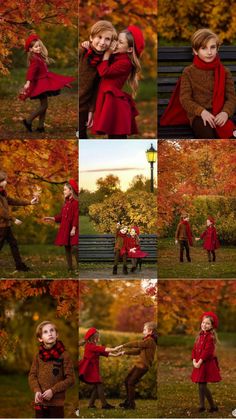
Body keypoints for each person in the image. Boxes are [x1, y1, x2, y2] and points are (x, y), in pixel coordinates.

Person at [160, 28, 236, 139]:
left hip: (220, 113)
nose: (209, 52)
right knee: (207, 136)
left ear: (217, 49)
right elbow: (185, 99)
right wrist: (201, 112)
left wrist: (225, 112)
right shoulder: (189, 72)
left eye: (212, 47)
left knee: (230, 136)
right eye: (203, 48)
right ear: (195, 51)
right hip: (199, 115)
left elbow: (231, 98)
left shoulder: (224, 72)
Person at [91, 25, 145, 138]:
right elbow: (97, 58)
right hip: (107, 98)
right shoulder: (116, 56)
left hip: (114, 103)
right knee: (112, 135)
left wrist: (107, 54)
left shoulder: (125, 63)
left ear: (129, 49)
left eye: (120, 42)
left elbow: (104, 72)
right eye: (116, 40)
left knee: (117, 135)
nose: (115, 44)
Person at [21, 34, 75, 133]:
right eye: (36, 47)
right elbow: (31, 72)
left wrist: (62, 83)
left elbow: (48, 74)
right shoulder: (35, 59)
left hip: (44, 83)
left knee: (44, 105)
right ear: (31, 49)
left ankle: (40, 127)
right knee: (44, 106)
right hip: (41, 85)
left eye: (39, 46)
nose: (38, 48)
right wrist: (28, 82)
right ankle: (28, 121)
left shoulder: (39, 57)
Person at [28, 321, 75, 418]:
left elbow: (70, 379)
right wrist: (37, 390)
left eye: (52, 330)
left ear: (57, 334)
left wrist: (53, 390)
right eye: (45, 332)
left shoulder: (64, 355)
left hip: (56, 404)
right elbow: (32, 375)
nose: (50, 333)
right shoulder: (38, 356)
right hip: (40, 403)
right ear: (40, 339)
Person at [79, 20, 117, 139]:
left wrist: (91, 110)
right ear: (91, 37)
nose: (102, 42)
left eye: (107, 39)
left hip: (84, 107)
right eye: (99, 37)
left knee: (81, 136)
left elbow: (97, 87)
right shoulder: (82, 51)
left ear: (111, 42)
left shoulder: (106, 61)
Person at [0, 170, 38, 271]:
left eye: (5, 180)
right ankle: (20, 265)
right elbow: (1, 212)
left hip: (6, 225)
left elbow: (14, 201)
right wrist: (13, 219)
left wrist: (29, 202)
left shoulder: (3, 193)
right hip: (1, 226)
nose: (6, 182)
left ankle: (19, 266)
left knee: (14, 244)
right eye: (3, 180)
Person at [114, 321, 157, 410]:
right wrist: (123, 352)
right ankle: (128, 402)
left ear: (150, 331)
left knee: (130, 383)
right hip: (139, 365)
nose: (143, 331)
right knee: (127, 381)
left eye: (144, 329)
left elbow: (136, 344)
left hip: (143, 366)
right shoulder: (146, 340)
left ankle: (131, 405)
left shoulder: (150, 341)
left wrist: (122, 345)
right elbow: (137, 351)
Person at [79, 327, 119, 409]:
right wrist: (114, 349)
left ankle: (91, 404)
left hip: (94, 369)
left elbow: (103, 353)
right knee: (99, 384)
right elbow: (103, 349)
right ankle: (104, 404)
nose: (98, 338)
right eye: (97, 337)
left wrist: (116, 355)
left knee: (96, 386)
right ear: (93, 338)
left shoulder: (93, 346)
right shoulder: (90, 346)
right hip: (89, 369)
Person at [43, 179, 78, 272]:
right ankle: (70, 268)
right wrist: (51, 218)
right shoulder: (66, 203)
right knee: (67, 247)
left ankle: (79, 267)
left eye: (65, 189)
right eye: (63, 189)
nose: (64, 191)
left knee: (75, 247)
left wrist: (74, 228)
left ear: (71, 190)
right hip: (66, 228)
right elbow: (61, 217)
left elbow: (76, 217)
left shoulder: (76, 203)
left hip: (73, 228)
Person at [191, 312, 221, 412]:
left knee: (202, 385)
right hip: (198, 363)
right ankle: (203, 406)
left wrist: (199, 362)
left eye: (208, 323)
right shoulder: (200, 335)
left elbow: (207, 352)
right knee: (200, 384)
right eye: (203, 322)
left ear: (212, 326)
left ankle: (212, 406)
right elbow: (195, 349)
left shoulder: (210, 337)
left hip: (205, 364)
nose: (204, 325)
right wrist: (194, 360)